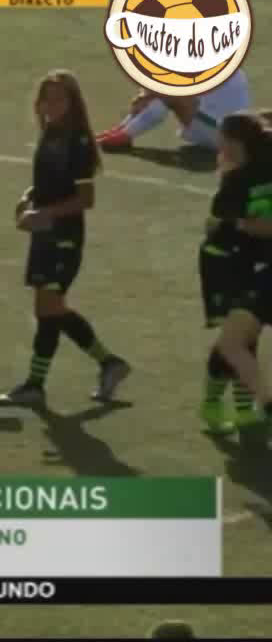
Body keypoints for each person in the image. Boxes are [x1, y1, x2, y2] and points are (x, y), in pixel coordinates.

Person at [0, 71, 131, 408]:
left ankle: (40, 383)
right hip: (45, 236)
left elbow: (85, 199)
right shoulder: (51, 133)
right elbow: (51, 182)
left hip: (64, 239)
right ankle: (105, 364)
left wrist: (44, 214)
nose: (52, 105)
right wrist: (28, 198)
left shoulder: (78, 142)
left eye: (59, 99)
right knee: (49, 309)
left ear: (73, 103)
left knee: (49, 308)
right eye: (47, 98)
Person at [207, 111, 272, 438]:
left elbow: (219, 219)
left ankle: (238, 404)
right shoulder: (259, 164)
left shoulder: (237, 179)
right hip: (246, 265)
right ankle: (238, 408)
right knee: (240, 339)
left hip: (244, 264)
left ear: (232, 142)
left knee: (233, 342)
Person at [97, 69, 250, 151]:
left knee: (170, 96)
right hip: (214, 130)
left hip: (225, 136)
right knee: (163, 94)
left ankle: (124, 136)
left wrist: (148, 95)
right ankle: (122, 131)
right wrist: (148, 94)